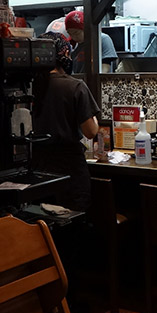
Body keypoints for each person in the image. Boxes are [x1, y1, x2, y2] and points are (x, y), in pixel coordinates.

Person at [32, 32, 101, 211]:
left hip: (38, 167)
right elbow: (90, 131)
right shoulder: (74, 86)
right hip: (69, 169)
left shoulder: (31, 86)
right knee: (72, 226)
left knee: (44, 224)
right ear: (65, 55)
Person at [46, 11, 118, 73]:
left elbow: (105, 67)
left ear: (85, 28)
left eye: (76, 33)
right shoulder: (71, 45)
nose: (74, 37)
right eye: (70, 33)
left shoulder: (102, 39)